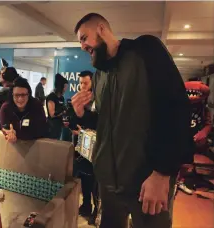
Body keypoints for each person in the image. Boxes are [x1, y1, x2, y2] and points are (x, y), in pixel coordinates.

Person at [72, 13, 192, 228]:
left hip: (147, 182)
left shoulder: (146, 50)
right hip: (109, 184)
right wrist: (82, 114)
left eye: (83, 38)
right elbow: (106, 123)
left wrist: (162, 173)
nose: (82, 46)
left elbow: (175, 108)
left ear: (101, 29)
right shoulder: (99, 76)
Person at [70, 70, 99, 225]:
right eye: (80, 83)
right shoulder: (78, 99)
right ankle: (86, 204)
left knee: (95, 180)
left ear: (93, 82)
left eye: (85, 83)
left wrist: (84, 124)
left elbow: (98, 122)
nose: (82, 86)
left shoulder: (98, 99)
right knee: (85, 177)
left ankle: (96, 208)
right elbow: (73, 121)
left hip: (96, 148)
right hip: (80, 146)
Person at [0, 77, 47, 143]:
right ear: (12, 95)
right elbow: (4, 128)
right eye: (16, 95)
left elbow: (42, 130)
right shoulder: (6, 108)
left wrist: (17, 133)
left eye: (23, 95)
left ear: (28, 94)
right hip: (13, 148)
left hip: (35, 147)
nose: (20, 99)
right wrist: (8, 134)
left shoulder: (37, 106)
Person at [46, 73, 68, 140]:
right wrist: (63, 111)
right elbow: (52, 114)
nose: (66, 89)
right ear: (61, 87)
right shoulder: (51, 97)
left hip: (58, 126)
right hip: (51, 126)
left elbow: (61, 111)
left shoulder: (62, 98)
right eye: (65, 87)